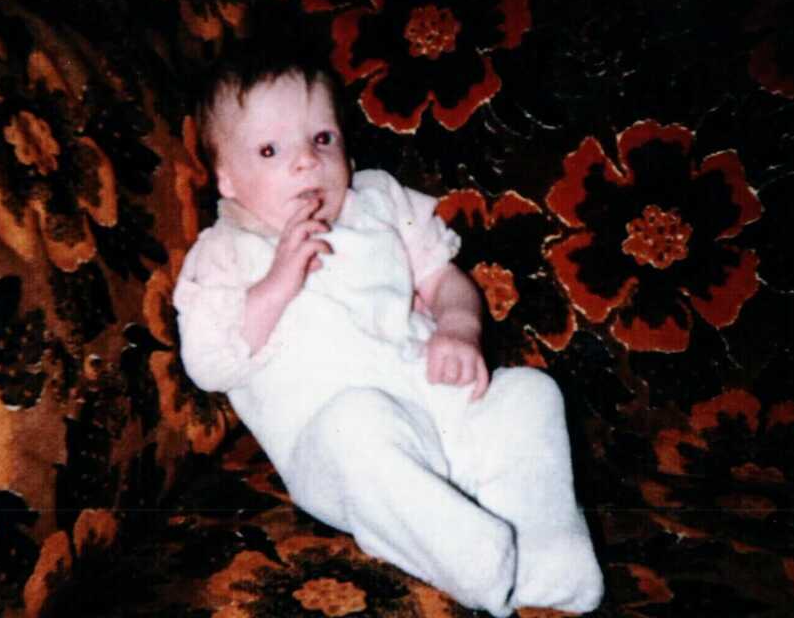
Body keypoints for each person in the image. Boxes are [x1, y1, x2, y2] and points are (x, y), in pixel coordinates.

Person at [172, 47, 604, 616]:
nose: (307, 162)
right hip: (341, 449)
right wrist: (278, 280)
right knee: (358, 423)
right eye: (271, 150)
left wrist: (458, 327)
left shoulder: (377, 201)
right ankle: (470, 556)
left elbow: (445, 280)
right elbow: (209, 362)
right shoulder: (225, 254)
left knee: (529, 393)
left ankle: (546, 552)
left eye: (322, 139)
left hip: (439, 409)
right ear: (226, 178)